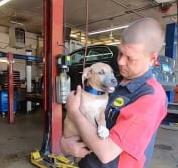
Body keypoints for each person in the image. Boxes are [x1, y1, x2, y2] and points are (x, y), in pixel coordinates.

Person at [60, 18, 168, 168]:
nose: (121, 62)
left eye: (130, 58)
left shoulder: (150, 97)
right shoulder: (115, 85)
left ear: (152, 58)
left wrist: (74, 112)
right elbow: (88, 127)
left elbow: (106, 153)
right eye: (120, 53)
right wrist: (65, 144)